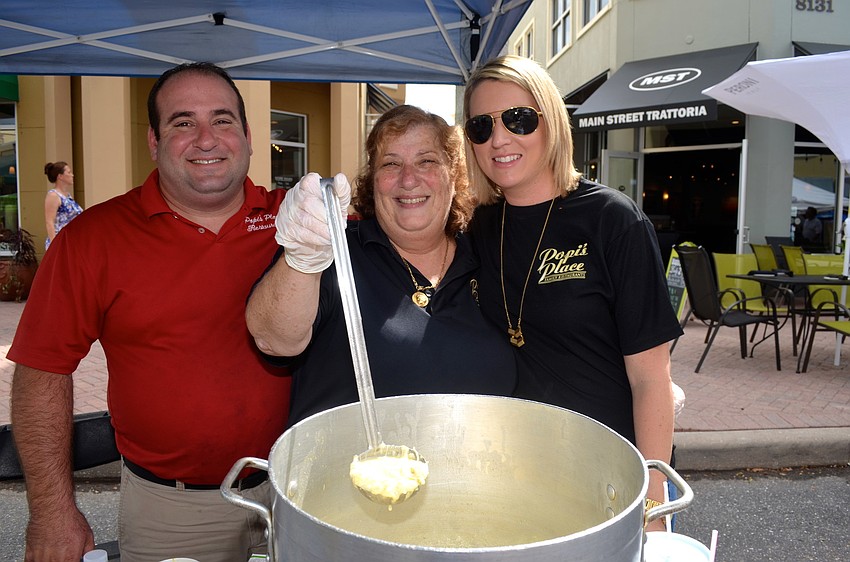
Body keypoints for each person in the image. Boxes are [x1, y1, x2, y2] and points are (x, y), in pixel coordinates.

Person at [8, 62, 291, 562]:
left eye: (222, 120)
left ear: (248, 137)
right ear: (154, 142)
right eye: (183, 123)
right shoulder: (92, 240)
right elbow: (42, 371)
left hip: (301, 492)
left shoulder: (299, 221)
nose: (206, 139)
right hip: (171, 511)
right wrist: (52, 511)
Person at [462, 55, 682, 530]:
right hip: (519, 476)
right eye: (481, 126)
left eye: (518, 119)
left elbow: (650, 378)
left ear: (551, 121)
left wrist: (652, 506)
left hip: (610, 478)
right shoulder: (477, 227)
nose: (499, 138)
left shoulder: (612, 220)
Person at [246, 104, 516, 427]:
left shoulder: (488, 256)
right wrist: (301, 260)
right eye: (391, 164)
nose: (408, 179)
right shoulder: (332, 250)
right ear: (372, 181)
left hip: (473, 470)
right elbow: (272, 338)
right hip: (344, 473)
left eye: (426, 161)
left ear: (453, 174)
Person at [43, 161, 83, 250]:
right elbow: (49, 222)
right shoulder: (53, 196)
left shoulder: (67, 196)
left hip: (71, 241)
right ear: (60, 176)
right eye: (68, 172)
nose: (72, 175)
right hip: (60, 242)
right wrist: (55, 245)